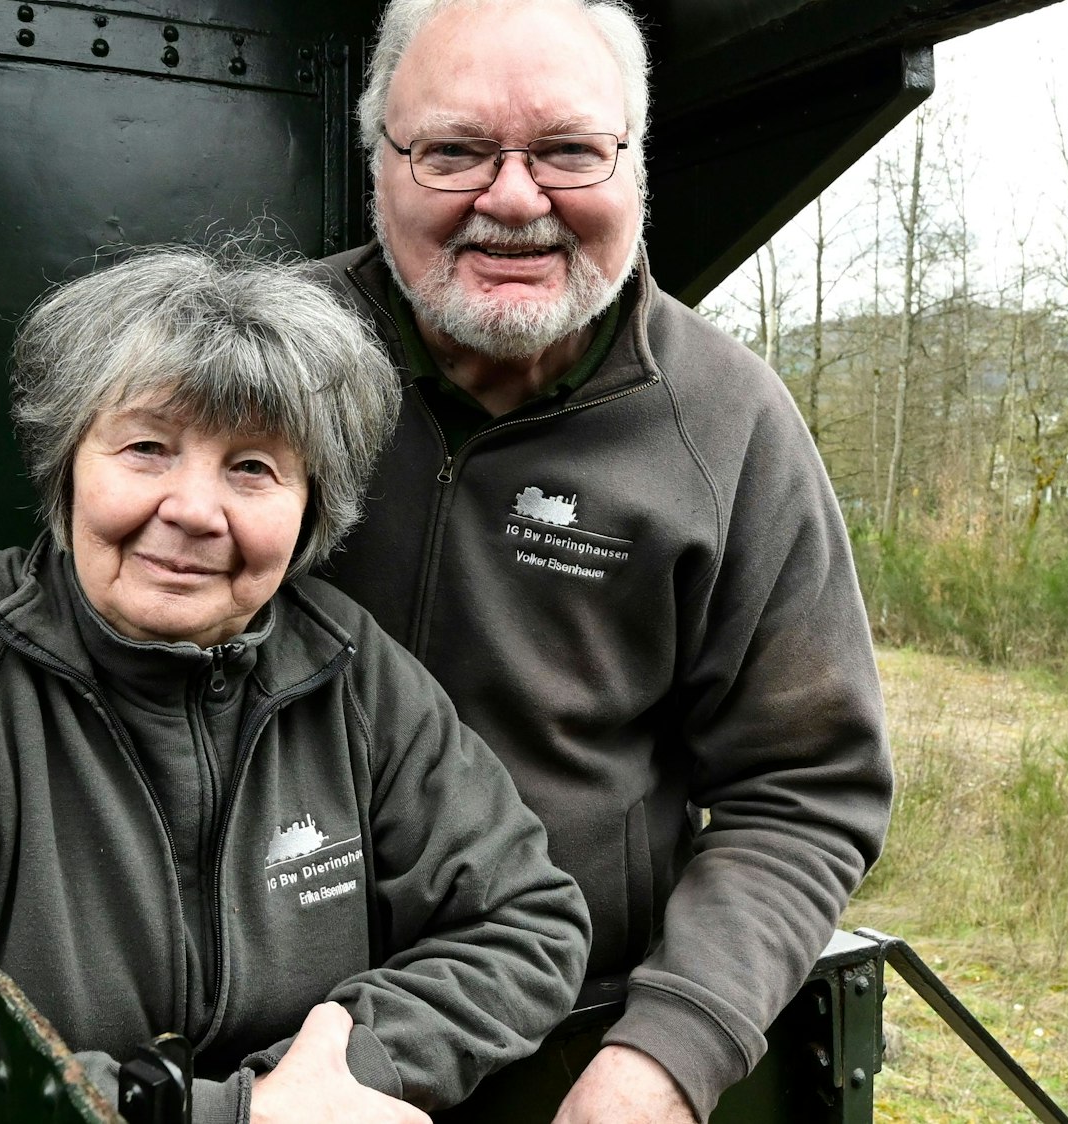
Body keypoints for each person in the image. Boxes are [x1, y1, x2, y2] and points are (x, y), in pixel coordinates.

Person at [0, 246, 590, 1124]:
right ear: (69, 465)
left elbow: (526, 922)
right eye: (147, 447)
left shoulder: (347, 661)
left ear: (310, 506)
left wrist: (342, 1066)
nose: (194, 510)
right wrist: (228, 1118)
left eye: (253, 467)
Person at [313, 2, 894, 1121]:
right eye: (453, 149)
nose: (515, 198)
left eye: (568, 150)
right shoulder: (267, 368)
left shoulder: (726, 421)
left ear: (634, 163)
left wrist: (667, 1054)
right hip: (273, 1048)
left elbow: (804, 789)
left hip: (564, 1048)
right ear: (380, 162)